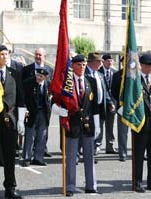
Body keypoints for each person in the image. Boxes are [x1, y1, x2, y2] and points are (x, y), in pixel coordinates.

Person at [52, 54, 99, 197]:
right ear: (72, 66)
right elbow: (54, 103)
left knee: (89, 156)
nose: (82, 67)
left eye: (84, 64)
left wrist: (97, 125)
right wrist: (62, 111)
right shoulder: (66, 84)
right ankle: (70, 186)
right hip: (72, 124)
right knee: (71, 157)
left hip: (88, 125)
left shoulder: (90, 81)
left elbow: (95, 105)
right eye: (79, 64)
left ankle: (91, 185)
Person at [0, 45, 24, 199]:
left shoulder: (15, 74)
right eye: (1, 54)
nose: (4, 56)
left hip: (10, 120)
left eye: (6, 54)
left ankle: (10, 187)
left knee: (10, 156)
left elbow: (20, 98)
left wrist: (21, 119)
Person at [128, 53, 151, 193]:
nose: (150, 68)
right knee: (139, 155)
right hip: (140, 124)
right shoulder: (135, 82)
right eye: (148, 66)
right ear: (141, 66)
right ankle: (137, 181)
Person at [21, 68, 51, 167]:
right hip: (31, 112)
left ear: (45, 77)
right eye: (37, 75)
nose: (38, 78)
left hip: (43, 112)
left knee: (42, 136)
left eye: (41, 76)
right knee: (30, 135)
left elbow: (51, 98)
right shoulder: (27, 83)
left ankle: (38, 158)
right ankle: (26, 158)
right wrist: (24, 109)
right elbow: (22, 97)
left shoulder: (48, 85)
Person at [85, 52, 112, 156]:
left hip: (100, 107)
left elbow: (104, 90)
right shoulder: (85, 73)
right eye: (99, 61)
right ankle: (82, 153)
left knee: (97, 129)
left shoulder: (100, 74)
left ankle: (92, 151)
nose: (101, 63)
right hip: (88, 108)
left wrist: (109, 102)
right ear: (93, 62)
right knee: (87, 131)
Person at [98, 53, 118, 155]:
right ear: (103, 61)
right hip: (101, 103)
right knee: (100, 125)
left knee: (110, 125)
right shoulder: (98, 72)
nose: (110, 62)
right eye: (108, 60)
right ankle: (97, 145)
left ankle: (110, 145)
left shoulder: (115, 72)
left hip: (113, 103)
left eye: (111, 60)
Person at [111, 65, 129, 162]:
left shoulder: (137, 74)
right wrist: (119, 104)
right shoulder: (117, 75)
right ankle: (123, 153)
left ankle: (140, 153)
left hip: (136, 107)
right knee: (122, 132)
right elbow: (113, 91)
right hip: (122, 107)